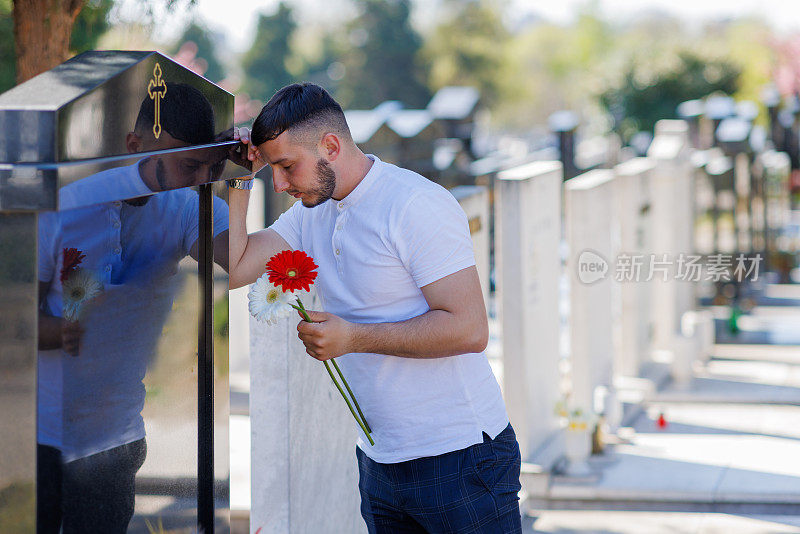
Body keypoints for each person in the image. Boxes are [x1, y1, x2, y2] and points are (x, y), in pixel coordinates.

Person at [228, 82, 522, 533]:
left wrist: (354, 337)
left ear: (331, 146)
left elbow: (469, 329)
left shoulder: (415, 205)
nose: (281, 184)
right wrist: (239, 178)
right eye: (272, 169)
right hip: (379, 459)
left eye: (287, 166)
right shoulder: (311, 213)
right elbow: (235, 266)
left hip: (462, 458)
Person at [37, 82, 229, 533]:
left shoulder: (186, 207)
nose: (193, 178)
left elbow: (234, 265)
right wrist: (63, 334)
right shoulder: (66, 205)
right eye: (186, 165)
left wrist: (235, 177)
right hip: (42, 436)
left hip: (115, 439)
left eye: (204, 167)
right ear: (133, 146)